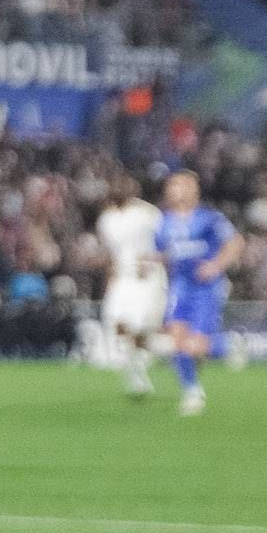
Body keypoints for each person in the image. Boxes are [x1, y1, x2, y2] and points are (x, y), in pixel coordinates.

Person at [155, 168, 241, 418]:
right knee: (177, 340)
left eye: (180, 185)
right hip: (180, 286)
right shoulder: (164, 222)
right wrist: (150, 261)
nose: (174, 190)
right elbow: (165, 252)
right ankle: (192, 391)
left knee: (196, 346)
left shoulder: (209, 218)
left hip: (206, 288)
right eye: (171, 185)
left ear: (194, 189)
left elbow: (235, 243)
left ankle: (226, 346)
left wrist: (216, 265)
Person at [96, 180, 168, 398]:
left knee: (140, 326)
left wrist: (155, 259)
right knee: (115, 321)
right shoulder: (106, 219)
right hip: (122, 277)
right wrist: (109, 278)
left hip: (147, 276)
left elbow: (166, 242)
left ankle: (173, 351)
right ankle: (137, 369)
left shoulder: (147, 214)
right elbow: (110, 253)